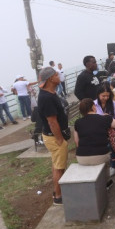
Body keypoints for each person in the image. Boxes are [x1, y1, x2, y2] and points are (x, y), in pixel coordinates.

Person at [37, 66, 70, 205]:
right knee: (59, 167)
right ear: (51, 78)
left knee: (57, 165)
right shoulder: (46, 97)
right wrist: (60, 140)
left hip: (53, 136)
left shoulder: (51, 93)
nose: (59, 76)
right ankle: (58, 196)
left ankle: (57, 191)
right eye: (57, 74)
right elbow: (52, 122)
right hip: (54, 137)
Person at [74, 98, 115, 167]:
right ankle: (106, 176)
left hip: (81, 157)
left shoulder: (77, 122)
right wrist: (109, 116)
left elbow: (77, 142)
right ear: (93, 107)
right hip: (100, 155)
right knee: (108, 155)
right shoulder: (105, 119)